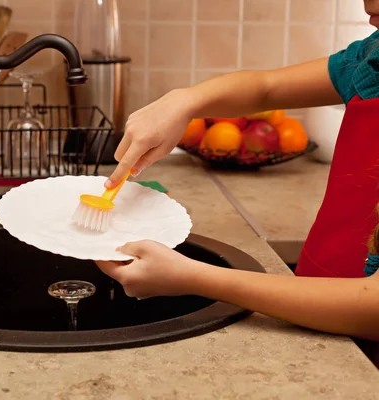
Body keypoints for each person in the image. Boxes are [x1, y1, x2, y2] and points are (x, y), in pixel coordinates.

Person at [96, 0, 379, 343]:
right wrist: (183, 102)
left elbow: (372, 307)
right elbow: (267, 88)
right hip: (309, 307)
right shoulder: (371, 59)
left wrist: (192, 277)